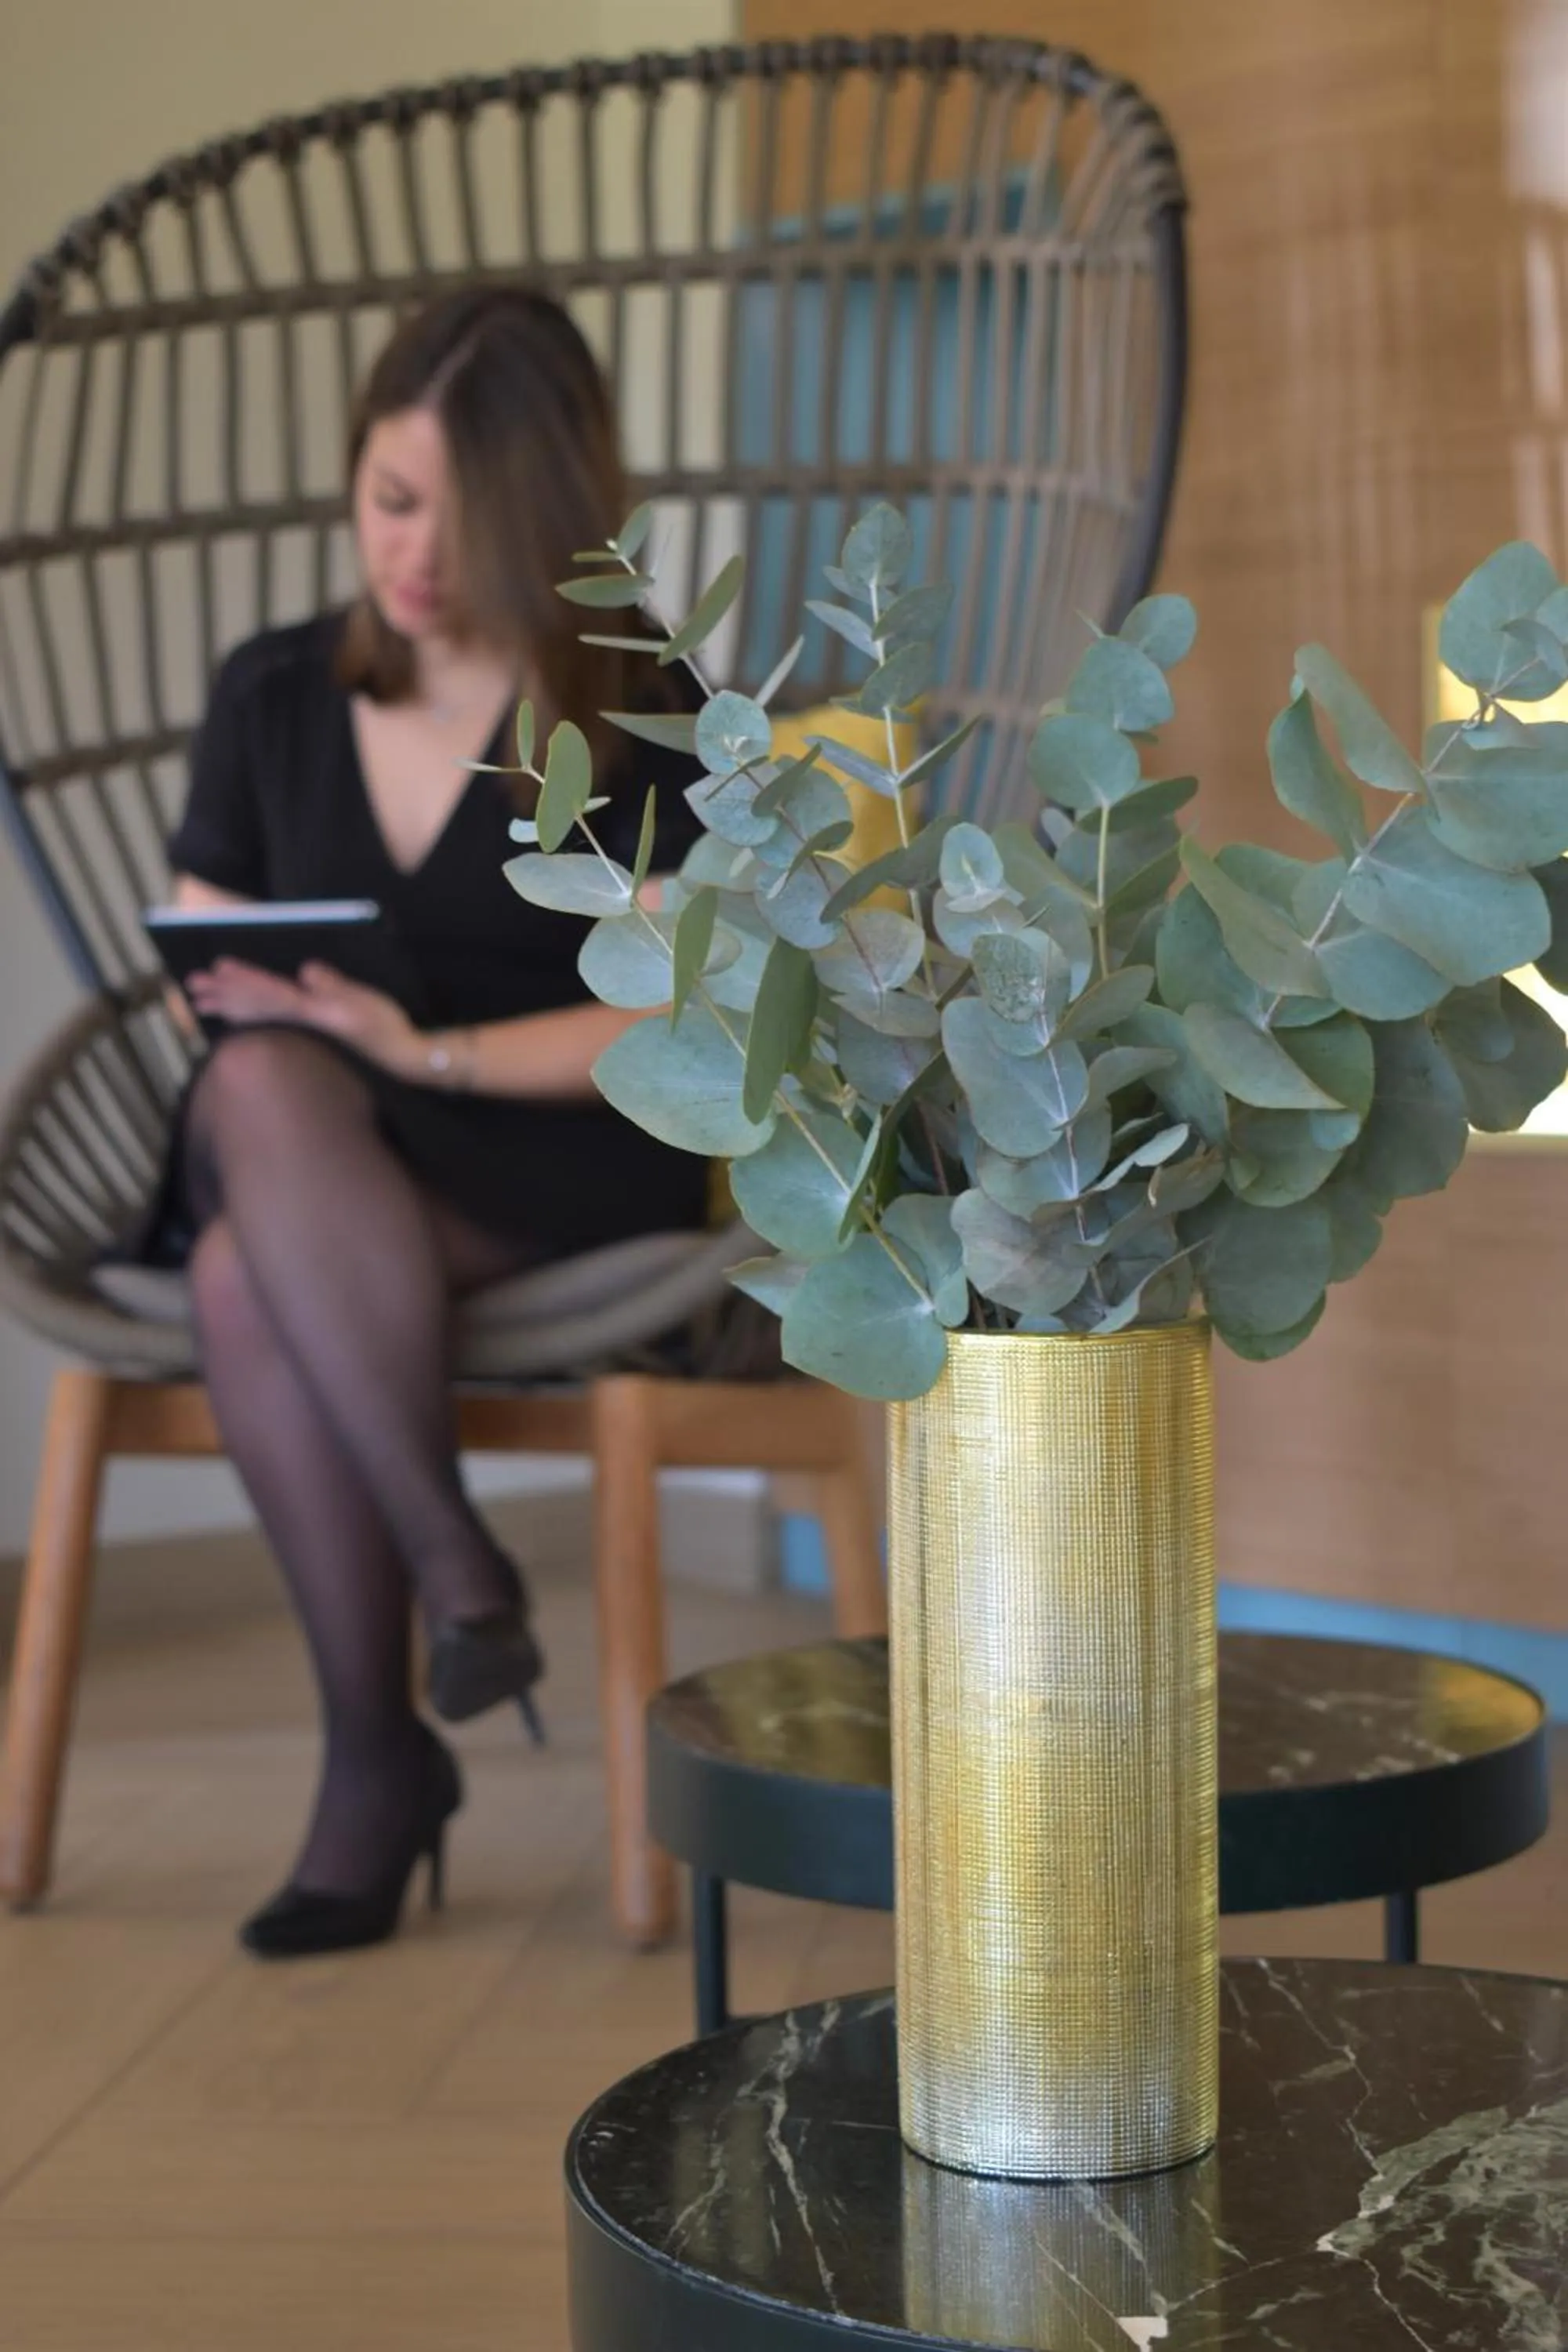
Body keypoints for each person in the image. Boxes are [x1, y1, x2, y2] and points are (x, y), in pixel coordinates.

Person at [155, 287, 707, 1959]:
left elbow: (673, 1010)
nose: (409, 556)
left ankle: (381, 1763)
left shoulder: (635, 701)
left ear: (549, 524)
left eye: (461, 527)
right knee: (259, 1081)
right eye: (388, 502)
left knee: (247, 1279)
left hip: (551, 1146)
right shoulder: (270, 694)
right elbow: (211, 964)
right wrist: (329, 1031)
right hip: (307, 1129)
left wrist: (431, 1049)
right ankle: (454, 1571)